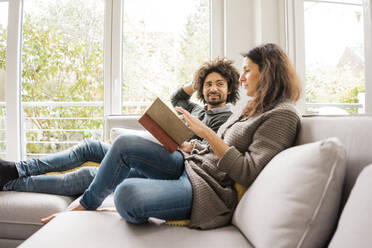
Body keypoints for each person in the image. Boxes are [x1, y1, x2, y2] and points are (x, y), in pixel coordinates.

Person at [0, 43, 301, 230]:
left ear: (268, 72)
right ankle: (73, 199)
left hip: (208, 190)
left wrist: (204, 132)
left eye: (248, 70)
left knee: (127, 193)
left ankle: (17, 178)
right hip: (190, 163)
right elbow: (201, 132)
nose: (243, 77)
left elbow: (248, 171)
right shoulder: (250, 109)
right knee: (123, 143)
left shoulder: (283, 115)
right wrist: (191, 142)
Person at [170, 57, 240, 141]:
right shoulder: (196, 110)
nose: (213, 89)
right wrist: (197, 83)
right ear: (202, 89)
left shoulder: (227, 120)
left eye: (220, 84)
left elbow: (205, 150)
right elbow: (177, 99)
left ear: (229, 89)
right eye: (208, 84)